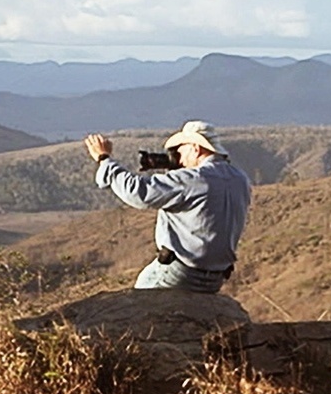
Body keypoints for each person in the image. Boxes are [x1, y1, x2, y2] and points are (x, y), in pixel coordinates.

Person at [83, 120, 251, 293]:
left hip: (181, 273)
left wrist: (104, 159)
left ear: (195, 148)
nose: (177, 155)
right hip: (216, 277)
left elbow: (136, 192)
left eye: (180, 149)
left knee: (138, 298)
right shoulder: (240, 178)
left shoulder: (193, 179)